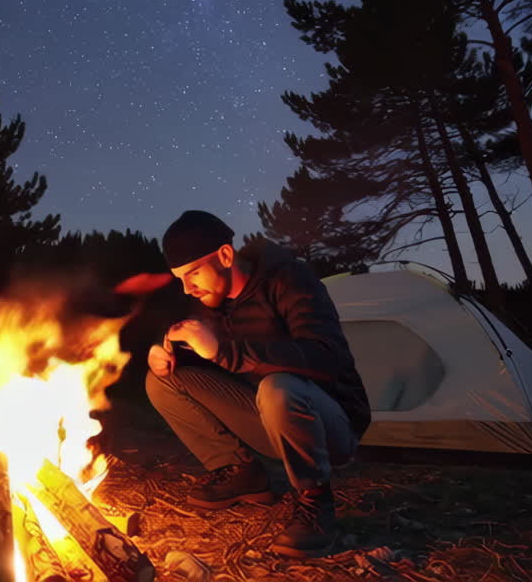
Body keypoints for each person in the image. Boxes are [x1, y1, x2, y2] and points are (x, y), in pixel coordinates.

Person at [144, 210, 370, 558]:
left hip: (330, 424)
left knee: (278, 387)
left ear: (224, 256)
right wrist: (169, 356)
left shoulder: (289, 279)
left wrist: (224, 352)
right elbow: (217, 360)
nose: (187, 288)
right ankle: (242, 473)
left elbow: (327, 358)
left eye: (192, 273)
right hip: (268, 416)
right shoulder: (212, 304)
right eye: (180, 279)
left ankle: (315, 503)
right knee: (162, 381)